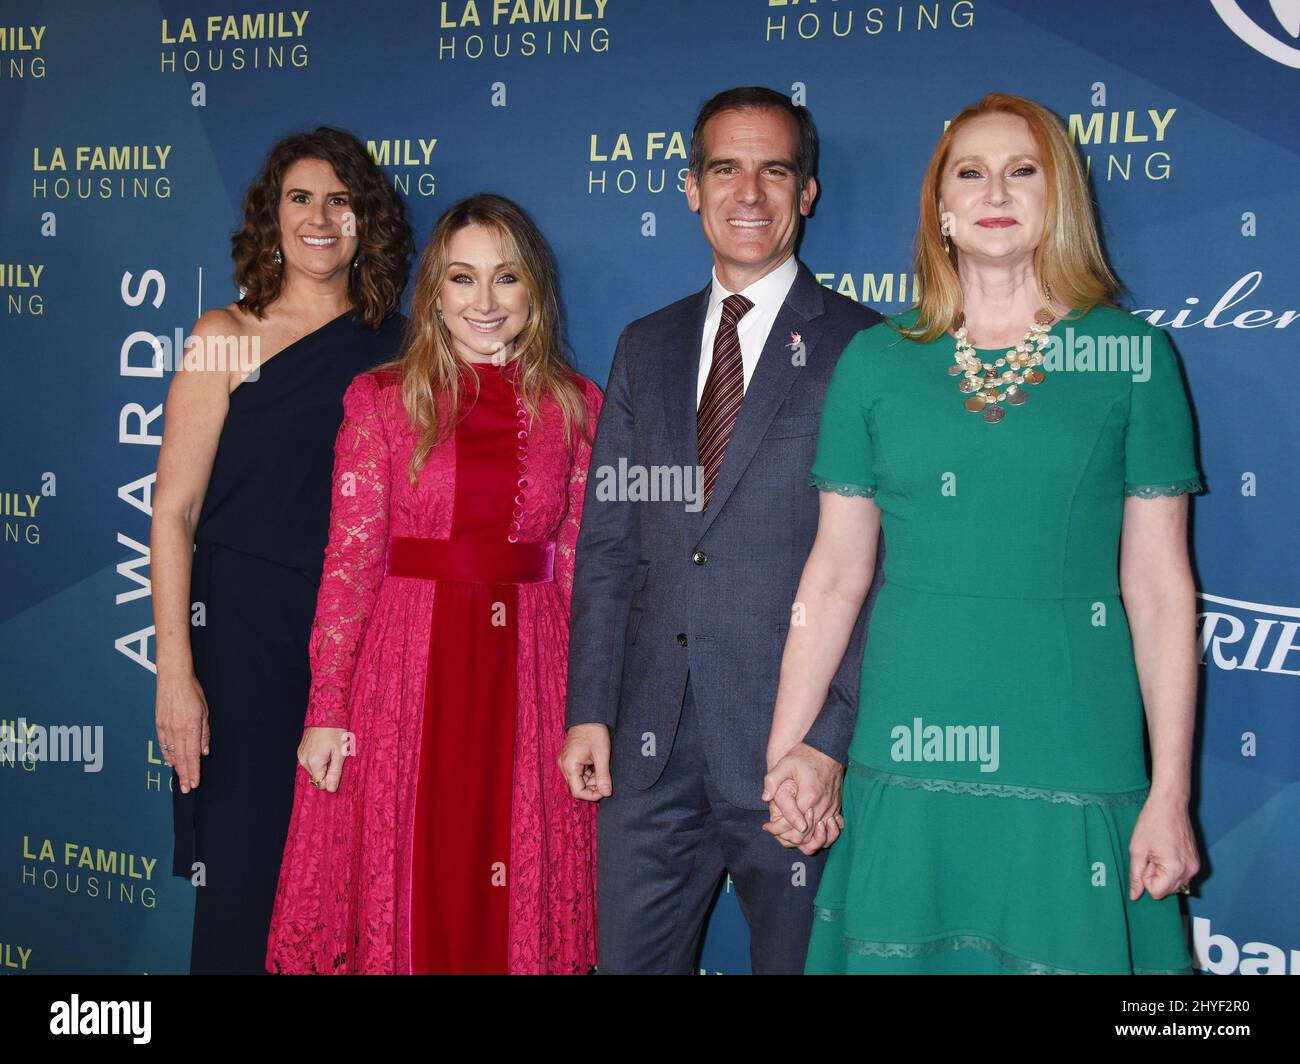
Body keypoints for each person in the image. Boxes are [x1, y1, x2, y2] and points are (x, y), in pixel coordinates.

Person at [767, 93, 1202, 974]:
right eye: (971, 171)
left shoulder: (1132, 357)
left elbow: (1158, 591)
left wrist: (1170, 793)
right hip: (908, 738)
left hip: (1073, 739)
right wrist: (786, 751)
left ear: (1059, 198)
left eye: (1023, 169)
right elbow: (834, 577)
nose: (995, 189)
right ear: (941, 208)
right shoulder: (877, 360)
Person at [561, 87, 882, 974]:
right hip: (649, 750)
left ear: (806, 191)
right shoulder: (646, 345)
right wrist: (589, 710)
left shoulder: (867, 347)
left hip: (792, 753)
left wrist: (830, 742)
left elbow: (886, 569)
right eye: (726, 169)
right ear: (691, 187)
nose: (750, 192)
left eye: (775, 170)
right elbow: (610, 546)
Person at [266, 194, 601, 974]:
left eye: (506, 278)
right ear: (435, 293)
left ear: (534, 292)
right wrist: (326, 712)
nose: (484, 302)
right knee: (413, 869)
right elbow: (348, 567)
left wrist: (591, 710)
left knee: (513, 875)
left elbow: (589, 578)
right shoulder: (380, 399)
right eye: (462, 278)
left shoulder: (576, 406)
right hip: (408, 673)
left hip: (530, 676)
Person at [153, 127, 411, 974]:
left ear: (366, 222)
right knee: (242, 879)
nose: (320, 217)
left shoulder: (405, 349)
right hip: (241, 647)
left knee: (349, 887)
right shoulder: (225, 333)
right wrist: (176, 674)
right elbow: (174, 512)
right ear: (271, 218)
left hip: (363, 643)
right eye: (300, 198)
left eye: (341, 200)